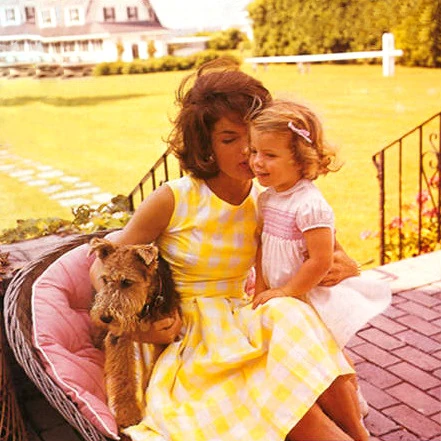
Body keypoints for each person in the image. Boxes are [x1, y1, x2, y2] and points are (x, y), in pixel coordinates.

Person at [90, 58, 369, 441]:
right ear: (205, 143)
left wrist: (346, 266)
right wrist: (138, 323)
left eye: (253, 140)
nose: (247, 153)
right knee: (290, 405)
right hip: (196, 335)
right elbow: (106, 262)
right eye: (229, 140)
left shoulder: (270, 197)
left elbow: (338, 255)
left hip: (247, 315)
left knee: (289, 317)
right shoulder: (175, 198)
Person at [248, 98, 391, 414]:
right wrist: (262, 287)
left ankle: (354, 405)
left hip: (308, 293)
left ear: (301, 160)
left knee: (331, 354)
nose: (257, 162)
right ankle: (320, 401)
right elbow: (261, 247)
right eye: (254, 151)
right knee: (306, 356)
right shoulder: (268, 199)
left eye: (270, 155)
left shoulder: (310, 205)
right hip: (282, 294)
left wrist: (288, 291)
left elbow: (321, 259)